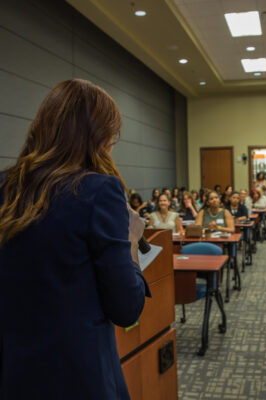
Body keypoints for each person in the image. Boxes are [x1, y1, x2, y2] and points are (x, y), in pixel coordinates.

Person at [0, 79, 150, 399]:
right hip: (79, 379)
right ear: (99, 137)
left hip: (13, 375)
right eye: (112, 136)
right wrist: (132, 240)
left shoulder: (4, 188)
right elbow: (126, 308)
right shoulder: (98, 190)